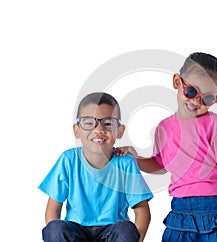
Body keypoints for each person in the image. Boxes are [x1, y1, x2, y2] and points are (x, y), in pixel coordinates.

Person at [116, 52, 217, 241]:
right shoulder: (164, 128)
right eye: (192, 92)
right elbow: (161, 165)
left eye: (207, 99)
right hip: (180, 211)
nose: (195, 101)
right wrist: (135, 158)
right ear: (177, 82)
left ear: (216, 98)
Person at [39, 92, 153, 242]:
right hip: (76, 232)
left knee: (126, 229)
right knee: (54, 228)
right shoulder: (68, 160)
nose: (98, 130)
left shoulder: (126, 163)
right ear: (76, 130)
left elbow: (142, 210)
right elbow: (53, 209)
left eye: (107, 124)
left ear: (119, 130)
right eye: (88, 123)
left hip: (113, 232)